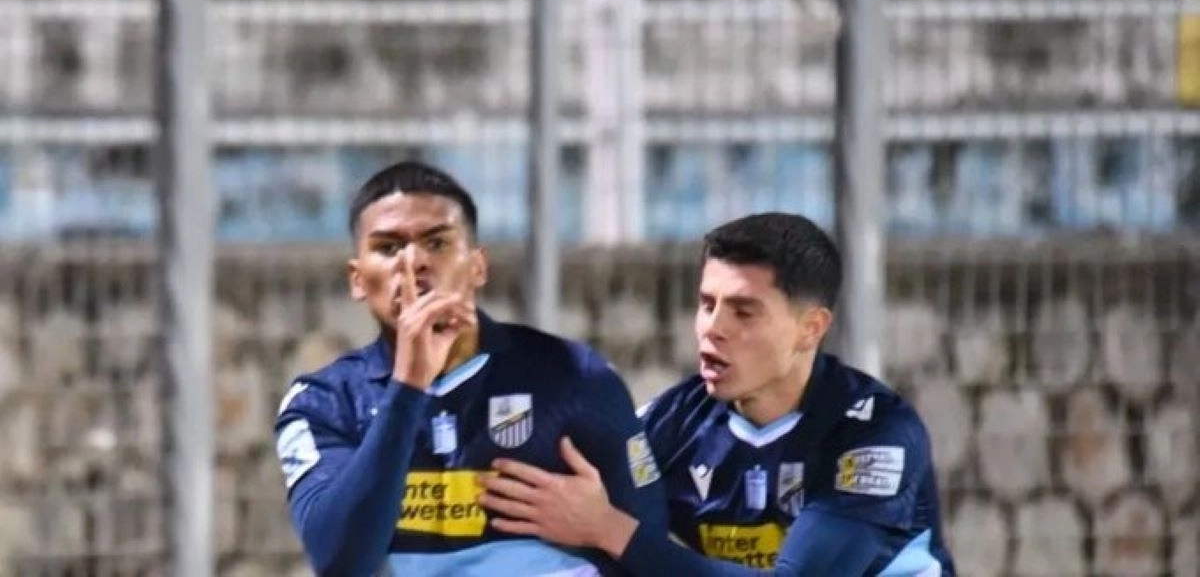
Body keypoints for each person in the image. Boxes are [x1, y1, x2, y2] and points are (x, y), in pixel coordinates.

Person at [478, 212, 956, 576]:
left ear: (811, 328)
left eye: (743, 313)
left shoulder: (874, 436)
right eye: (708, 305)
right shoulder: (673, 421)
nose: (713, 329)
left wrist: (609, 529)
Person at [273, 160, 667, 577]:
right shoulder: (325, 402)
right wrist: (408, 388)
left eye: (437, 243)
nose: (413, 263)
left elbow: (651, 549)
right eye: (388, 248)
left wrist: (604, 527)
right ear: (357, 279)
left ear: (478, 266)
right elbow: (341, 563)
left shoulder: (577, 377)